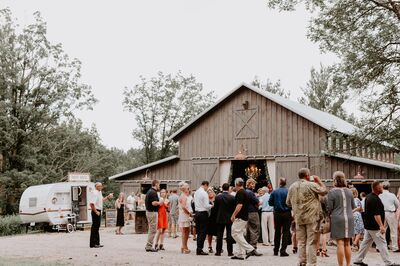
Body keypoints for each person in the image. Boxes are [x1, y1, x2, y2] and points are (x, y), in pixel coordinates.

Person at [286, 168, 327, 266]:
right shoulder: (312, 185)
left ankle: (301, 262)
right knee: (312, 242)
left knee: (301, 242)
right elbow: (324, 191)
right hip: (312, 217)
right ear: (308, 175)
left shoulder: (292, 186)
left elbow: (287, 202)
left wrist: (297, 206)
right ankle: (311, 263)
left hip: (299, 218)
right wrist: (319, 181)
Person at [353, 180, 400, 266]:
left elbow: (364, 210)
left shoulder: (368, 197)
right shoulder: (375, 199)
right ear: (377, 188)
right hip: (374, 226)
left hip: (368, 225)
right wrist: (381, 226)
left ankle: (358, 260)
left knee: (365, 243)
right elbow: (376, 215)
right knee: (382, 243)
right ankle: (388, 262)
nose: (382, 188)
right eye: (381, 186)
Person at [327, 171, 355, 266]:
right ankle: (348, 264)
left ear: (334, 180)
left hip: (337, 219)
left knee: (340, 243)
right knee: (347, 243)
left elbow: (329, 208)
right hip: (349, 218)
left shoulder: (331, 192)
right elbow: (353, 206)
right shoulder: (350, 191)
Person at [230, 177, 262, 260]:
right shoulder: (245, 192)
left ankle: (250, 249)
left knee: (235, 233)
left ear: (236, 184)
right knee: (239, 234)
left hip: (240, 217)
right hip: (245, 216)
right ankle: (239, 254)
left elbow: (239, 205)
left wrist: (233, 215)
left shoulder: (240, 192)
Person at [268, 177, 291, 257]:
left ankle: (275, 250)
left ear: (279, 183)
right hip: (287, 213)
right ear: (285, 183)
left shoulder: (275, 192)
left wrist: (276, 203)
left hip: (277, 213)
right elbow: (291, 202)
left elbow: (270, 203)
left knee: (277, 232)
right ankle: (283, 250)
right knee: (285, 232)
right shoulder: (288, 191)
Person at [89, 182, 113, 248]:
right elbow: (91, 204)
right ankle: (93, 244)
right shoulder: (95, 193)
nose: (101, 187)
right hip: (95, 211)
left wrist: (108, 197)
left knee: (97, 227)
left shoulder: (99, 192)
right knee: (94, 227)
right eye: (99, 186)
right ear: (96, 187)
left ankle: (97, 242)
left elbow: (101, 200)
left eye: (101, 186)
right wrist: (96, 211)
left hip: (98, 210)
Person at [214, 182, 235, 256]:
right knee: (229, 235)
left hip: (220, 217)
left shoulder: (217, 197)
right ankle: (230, 252)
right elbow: (233, 208)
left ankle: (218, 252)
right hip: (229, 218)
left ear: (222, 188)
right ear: (228, 188)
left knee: (219, 235)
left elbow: (215, 209)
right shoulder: (232, 197)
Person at [379, 181, 400, 252]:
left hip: (381, 213)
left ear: (382, 187)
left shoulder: (379, 195)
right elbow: (397, 204)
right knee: (393, 230)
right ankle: (395, 247)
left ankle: (379, 247)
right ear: (389, 187)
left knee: (381, 230)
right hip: (390, 213)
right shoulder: (392, 195)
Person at [194, 180, 212, 255]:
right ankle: (200, 249)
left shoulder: (196, 192)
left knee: (199, 232)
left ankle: (198, 248)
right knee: (203, 232)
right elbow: (206, 206)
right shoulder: (204, 193)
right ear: (205, 185)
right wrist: (212, 205)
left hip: (197, 213)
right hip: (202, 213)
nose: (207, 188)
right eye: (207, 187)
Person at [145, 179, 161, 252]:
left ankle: (148, 245)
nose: (159, 186)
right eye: (159, 184)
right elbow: (154, 203)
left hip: (149, 212)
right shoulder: (153, 192)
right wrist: (160, 202)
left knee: (151, 229)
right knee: (153, 230)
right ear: (156, 184)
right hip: (152, 212)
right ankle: (149, 246)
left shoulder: (149, 191)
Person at [245, 178, 261, 249]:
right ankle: (253, 247)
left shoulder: (245, 192)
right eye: (252, 183)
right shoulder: (251, 193)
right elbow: (257, 202)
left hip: (246, 212)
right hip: (253, 212)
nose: (254, 185)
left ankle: (248, 247)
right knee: (255, 229)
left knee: (248, 230)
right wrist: (258, 201)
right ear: (249, 184)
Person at [178, 182, 193, 254]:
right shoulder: (183, 196)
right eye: (188, 188)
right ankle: (184, 247)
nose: (188, 189)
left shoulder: (183, 195)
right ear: (184, 189)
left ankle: (184, 246)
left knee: (187, 231)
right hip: (184, 215)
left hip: (184, 214)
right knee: (185, 231)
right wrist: (189, 213)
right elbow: (183, 207)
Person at [206, 188, 217, 253]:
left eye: (211, 192)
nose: (210, 193)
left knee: (217, 233)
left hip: (215, 217)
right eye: (208, 192)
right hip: (209, 218)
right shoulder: (206, 200)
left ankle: (218, 246)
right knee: (210, 233)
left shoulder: (217, 199)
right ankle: (210, 246)